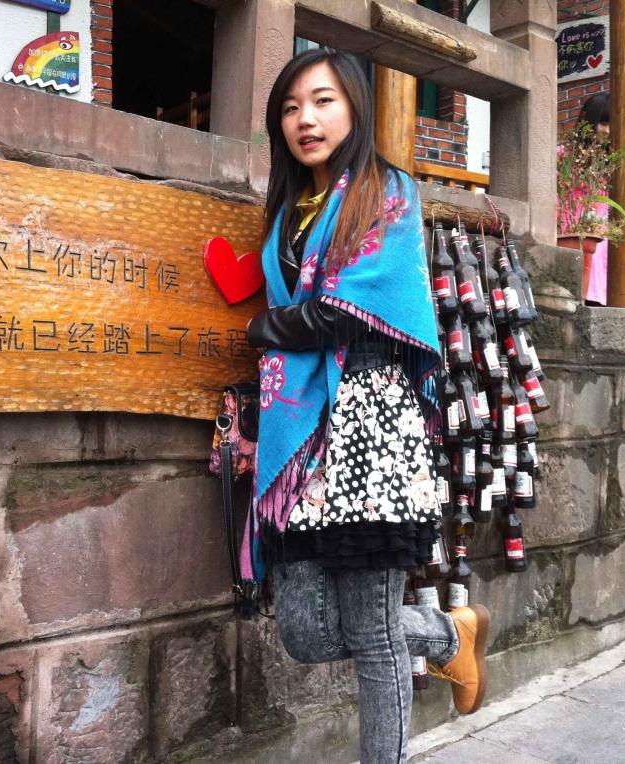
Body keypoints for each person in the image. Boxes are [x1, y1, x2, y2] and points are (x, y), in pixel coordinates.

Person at [238, 48, 490, 764]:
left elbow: (351, 311)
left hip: (368, 427)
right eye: (291, 107)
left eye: (322, 101)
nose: (306, 119)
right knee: (305, 631)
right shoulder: (288, 211)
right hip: (298, 430)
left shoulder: (388, 192)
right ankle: (448, 634)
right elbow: (306, 310)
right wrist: (280, 326)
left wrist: (264, 327)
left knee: (375, 634)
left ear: (354, 107)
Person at [562, 93, 611, 306]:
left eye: (611, 125)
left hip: (601, 245)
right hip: (570, 238)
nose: (607, 131)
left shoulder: (611, 164)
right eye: (603, 123)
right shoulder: (563, 157)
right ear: (589, 122)